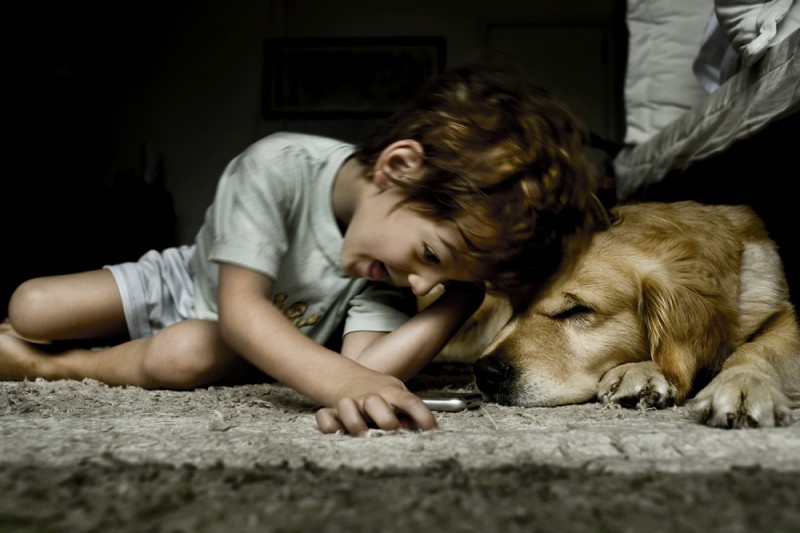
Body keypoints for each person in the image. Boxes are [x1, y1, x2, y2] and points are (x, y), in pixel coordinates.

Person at [0, 61, 603, 436]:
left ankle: (57, 368)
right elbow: (241, 311)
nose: (420, 284)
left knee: (186, 351)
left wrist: (462, 295)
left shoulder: (392, 265)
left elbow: (368, 372)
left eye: (441, 278)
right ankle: (65, 343)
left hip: (226, 342)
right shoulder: (279, 165)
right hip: (186, 284)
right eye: (431, 256)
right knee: (32, 307)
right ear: (399, 167)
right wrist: (337, 385)